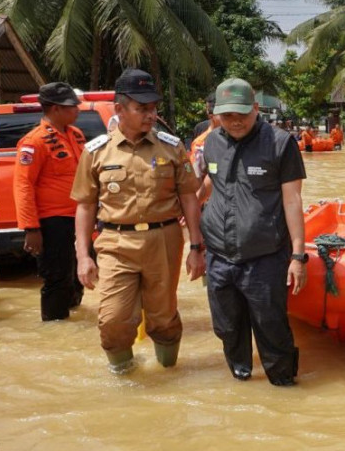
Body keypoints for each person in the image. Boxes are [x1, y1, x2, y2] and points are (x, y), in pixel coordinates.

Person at [72, 68, 205, 374]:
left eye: (153, 108)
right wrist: (82, 256)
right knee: (113, 319)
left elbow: (189, 198)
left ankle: (168, 374)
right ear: (119, 109)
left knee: (164, 316)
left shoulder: (171, 147)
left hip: (165, 239)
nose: (150, 115)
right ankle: (124, 378)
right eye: (141, 108)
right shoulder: (96, 152)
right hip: (115, 243)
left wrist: (196, 247)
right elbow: (85, 205)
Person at [201, 78, 307, 386]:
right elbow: (210, 184)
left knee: (271, 327)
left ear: (256, 109)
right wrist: (193, 235)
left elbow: (292, 199)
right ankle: (241, 376)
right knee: (227, 328)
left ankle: (283, 384)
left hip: (266, 257)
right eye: (226, 115)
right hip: (219, 256)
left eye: (241, 114)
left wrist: (298, 256)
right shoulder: (211, 142)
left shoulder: (279, 143)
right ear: (215, 113)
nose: (234, 121)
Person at [13, 82, 87, 321]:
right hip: (52, 220)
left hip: (78, 218)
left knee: (78, 275)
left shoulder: (76, 135)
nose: (77, 109)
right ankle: (57, 325)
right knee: (57, 278)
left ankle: (74, 322)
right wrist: (31, 228)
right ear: (55, 109)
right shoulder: (33, 142)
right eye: (71, 106)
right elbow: (23, 186)